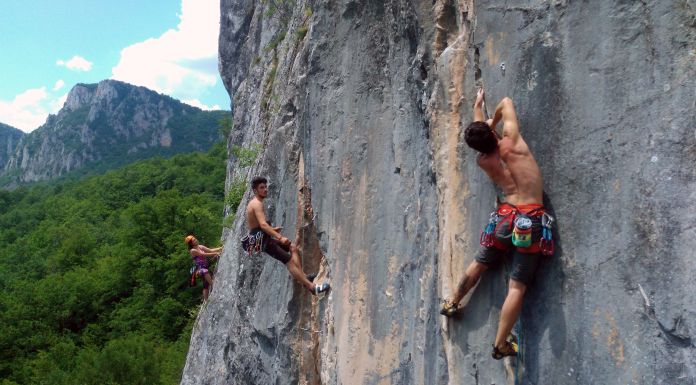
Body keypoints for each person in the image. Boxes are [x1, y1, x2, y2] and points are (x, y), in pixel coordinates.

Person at [441, 87, 549, 360]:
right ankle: (500, 344)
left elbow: (485, 139)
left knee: (480, 262)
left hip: (504, 218)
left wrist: (479, 111)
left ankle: (453, 302)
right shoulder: (513, 142)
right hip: (530, 221)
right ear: (493, 133)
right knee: (517, 286)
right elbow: (506, 102)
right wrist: (488, 115)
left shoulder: (483, 161)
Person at [245, 176, 329, 295]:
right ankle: (312, 287)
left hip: (262, 237)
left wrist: (273, 230)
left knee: (292, 247)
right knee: (288, 261)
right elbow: (263, 225)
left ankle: (303, 276)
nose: (265, 189)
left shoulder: (256, 203)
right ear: (255, 190)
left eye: (265, 187)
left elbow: (256, 225)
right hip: (262, 241)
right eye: (261, 188)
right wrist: (279, 237)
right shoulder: (256, 204)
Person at [186, 235, 223, 301]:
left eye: (195, 239)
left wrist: (220, 248)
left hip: (205, 265)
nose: (196, 240)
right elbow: (203, 254)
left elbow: (209, 250)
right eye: (194, 240)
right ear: (191, 244)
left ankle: (206, 300)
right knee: (204, 271)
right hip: (199, 270)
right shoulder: (192, 250)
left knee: (206, 284)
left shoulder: (200, 246)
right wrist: (215, 253)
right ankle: (214, 285)